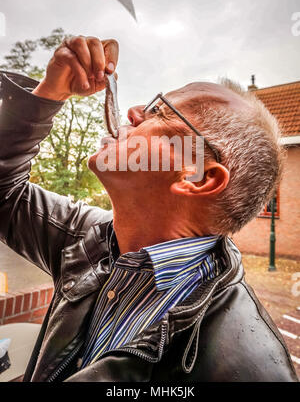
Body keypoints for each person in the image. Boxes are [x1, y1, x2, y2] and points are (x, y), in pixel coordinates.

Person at [0, 36, 297, 382]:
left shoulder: (252, 370)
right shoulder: (84, 237)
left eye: (160, 111)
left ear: (197, 177)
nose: (133, 111)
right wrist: (47, 94)